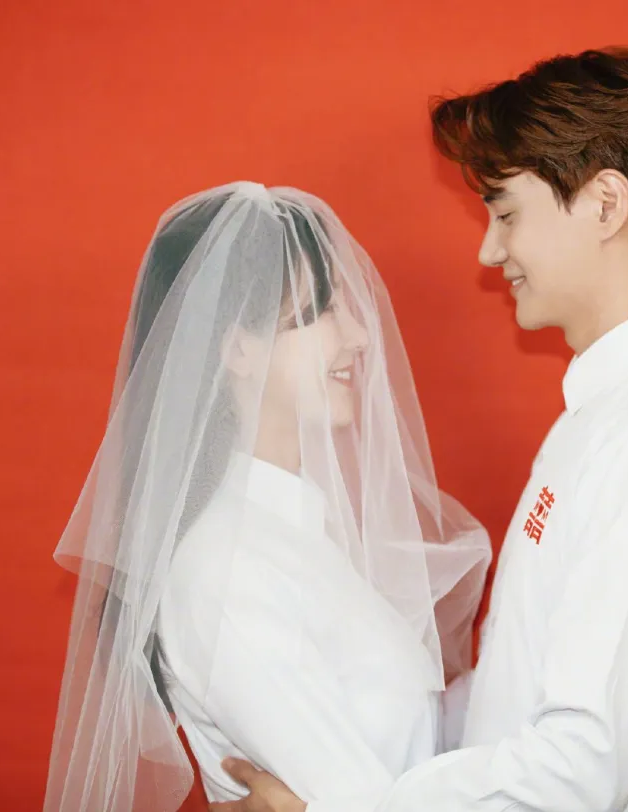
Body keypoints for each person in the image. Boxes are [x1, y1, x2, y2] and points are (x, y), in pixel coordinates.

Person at [222, 46, 628, 812]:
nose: (488, 250)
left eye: (506, 213)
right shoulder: (610, 417)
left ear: (606, 205)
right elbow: (521, 693)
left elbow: (581, 766)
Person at [43, 182, 492, 811]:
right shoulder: (224, 573)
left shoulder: (299, 530)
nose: (359, 336)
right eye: (320, 312)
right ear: (237, 348)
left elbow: (414, 749)